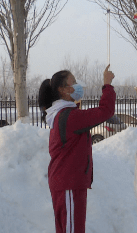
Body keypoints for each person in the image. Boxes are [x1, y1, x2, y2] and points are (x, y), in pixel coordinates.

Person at [38, 65, 116, 233]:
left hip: (68, 182)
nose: (77, 86)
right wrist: (107, 85)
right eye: (73, 82)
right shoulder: (69, 116)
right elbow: (106, 111)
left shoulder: (63, 114)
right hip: (68, 184)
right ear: (63, 90)